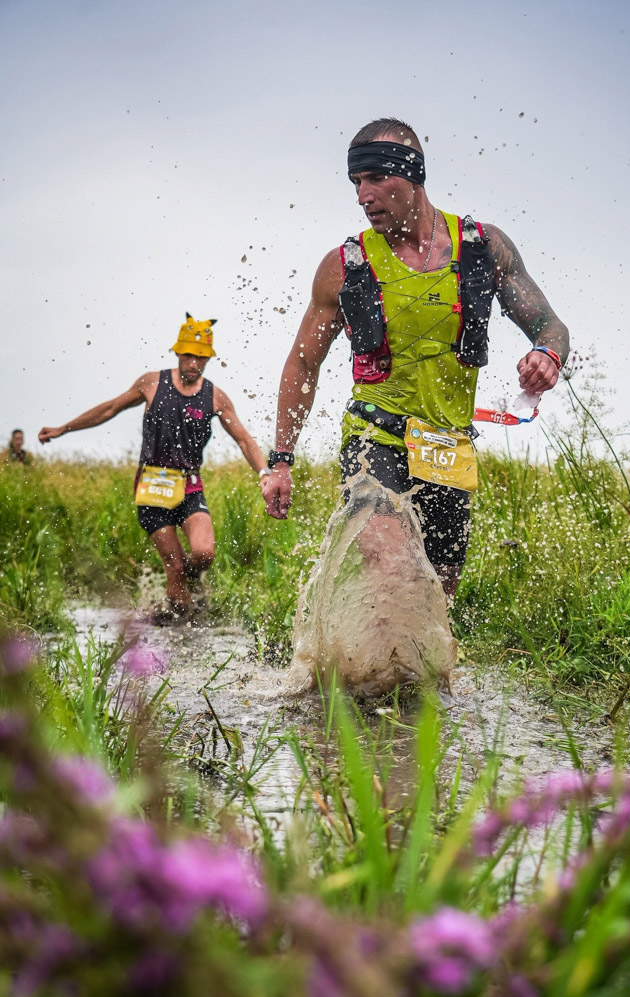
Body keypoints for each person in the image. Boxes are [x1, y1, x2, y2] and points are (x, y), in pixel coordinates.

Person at [264, 117, 569, 598]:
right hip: (373, 438)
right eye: (355, 183)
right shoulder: (344, 267)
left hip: (448, 448)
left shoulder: (482, 248)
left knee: (435, 597)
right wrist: (280, 461)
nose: (363, 196)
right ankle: (348, 667)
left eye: (374, 179)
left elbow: (551, 326)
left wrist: (548, 354)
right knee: (393, 574)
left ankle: (408, 674)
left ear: (412, 175)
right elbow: (303, 363)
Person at [39, 315, 271, 622]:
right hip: (152, 488)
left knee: (204, 553)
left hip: (189, 486)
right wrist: (64, 428)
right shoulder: (151, 383)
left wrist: (265, 473)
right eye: (189, 355)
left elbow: (243, 439)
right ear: (177, 353)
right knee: (173, 567)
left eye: (201, 358)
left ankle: (189, 587)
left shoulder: (215, 396)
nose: (194, 363)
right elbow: (110, 408)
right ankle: (181, 630)